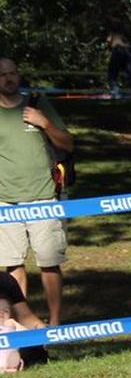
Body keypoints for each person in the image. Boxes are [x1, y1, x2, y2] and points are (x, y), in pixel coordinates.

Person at [0, 57, 74, 329]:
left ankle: (55, 324)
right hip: (5, 201)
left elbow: (67, 143)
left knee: (50, 263)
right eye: (2, 75)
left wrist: (45, 123)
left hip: (44, 197)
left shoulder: (36, 104)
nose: (8, 79)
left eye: (12, 73)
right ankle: (24, 325)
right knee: (13, 266)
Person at [0, 269, 47, 369]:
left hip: (7, 337)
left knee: (36, 351)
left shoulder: (5, 280)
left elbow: (25, 316)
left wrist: (43, 331)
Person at [105, 30, 131, 96]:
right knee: (128, 72)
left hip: (118, 50)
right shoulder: (125, 31)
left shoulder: (114, 31)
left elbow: (108, 40)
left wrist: (110, 47)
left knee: (112, 72)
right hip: (127, 51)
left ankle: (115, 90)